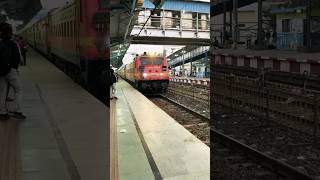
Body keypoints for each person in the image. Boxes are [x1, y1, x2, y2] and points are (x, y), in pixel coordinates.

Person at [0, 22, 26, 120]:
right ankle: (18, 111)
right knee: (18, 90)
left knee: (2, 92)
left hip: (1, 72)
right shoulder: (13, 44)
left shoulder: (0, 43)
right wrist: (13, 68)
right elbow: (18, 59)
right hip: (11, 71)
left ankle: (2, 113)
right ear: (10, 33)